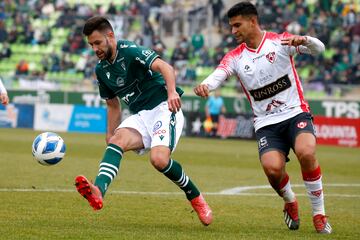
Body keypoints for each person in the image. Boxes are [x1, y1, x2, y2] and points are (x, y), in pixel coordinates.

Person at [194, 2, 332, 234]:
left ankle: (319, 214)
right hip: (266, 124)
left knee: (306, 152)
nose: (233, 31)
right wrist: (205, 85)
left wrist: (305, 40)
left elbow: (320, 49)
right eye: (231, 26)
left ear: (253, 21)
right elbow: (220, 74)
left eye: (237, 25)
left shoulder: (281, 42)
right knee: (272, 169)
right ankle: (290, 201)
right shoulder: (235, 57)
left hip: (295, 112)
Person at [74, 16, 212, 226]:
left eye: (98, 42)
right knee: (116, 142)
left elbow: (165, 67)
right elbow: (113, 105)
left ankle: (195, 197)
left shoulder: (129, 50)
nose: (95, 49)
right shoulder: (101, 70)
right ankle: (98, 190)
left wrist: (173, 92)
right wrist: (110, 135)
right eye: (91, 45)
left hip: (165, 107)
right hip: (141, 115)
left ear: (110, 36)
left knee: (159, 160)